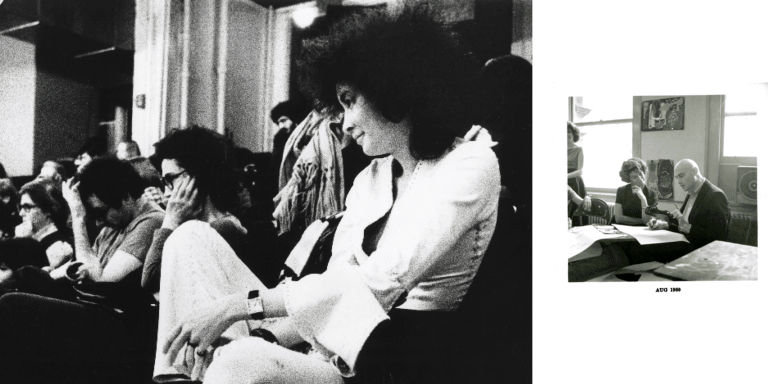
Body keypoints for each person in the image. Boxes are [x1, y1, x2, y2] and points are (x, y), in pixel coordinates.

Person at [155, 5, 497, 384]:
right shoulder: (370, 179)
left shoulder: (471, 163)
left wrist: (236, 308)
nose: (345, 123)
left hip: (391, 363)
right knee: (189, 238)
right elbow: (329, 292)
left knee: (240, 360)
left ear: (395, 89)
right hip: (326, 349)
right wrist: (269, 335)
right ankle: (182, 371)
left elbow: (378, 281)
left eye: (350, 101)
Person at [0, 157, 165, 384]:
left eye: (100, 212)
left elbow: (102, 283)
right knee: (26, 278)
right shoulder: (117, 221)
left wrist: (78, 217)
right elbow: (87, 264)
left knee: (12, 304)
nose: (99, 221)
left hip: (115, 323)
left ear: (126, 196)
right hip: (91, 307)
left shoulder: (151, 222)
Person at [141, 126, 249, 297]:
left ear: (198, 176)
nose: (167, 193)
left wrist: (170, 220)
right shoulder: (204, 226)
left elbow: (150, 278)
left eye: (170, 180)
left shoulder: (223, 228)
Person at [647, 159, 730, 248]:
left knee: (649, 248)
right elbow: (682, 227)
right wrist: (664, 225)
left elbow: (718, 236)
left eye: (681, 176)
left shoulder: (716, 195)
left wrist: (687, 227)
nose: (678, 181)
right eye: (677, 178)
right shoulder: (691, 192)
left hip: (700, 251)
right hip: (686, 245)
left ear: (694, 171)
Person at [15, 180, 74, 269]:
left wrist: (22, 243)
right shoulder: (32, 237)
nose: (21, 213)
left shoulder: (59, 248)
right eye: (21, 208)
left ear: (47, 210)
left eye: (27, 207)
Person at [614, 158, 657, 225]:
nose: (640, 179)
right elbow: (618, 219)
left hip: (639, 232)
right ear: (629, 180)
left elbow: (647, 221)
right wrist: (642, 221)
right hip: (619, 227)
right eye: (634, 177)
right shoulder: (621, 190)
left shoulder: (652, 194)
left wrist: (643, 199)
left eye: (640, 174)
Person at [567, 121, 587, 226]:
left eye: (569, 132)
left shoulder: (578, 149)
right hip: (558, 182)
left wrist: (563, 176)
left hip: (574, 182)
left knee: (574, 213)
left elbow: (580, 171)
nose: (566, 134)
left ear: (574, 134)